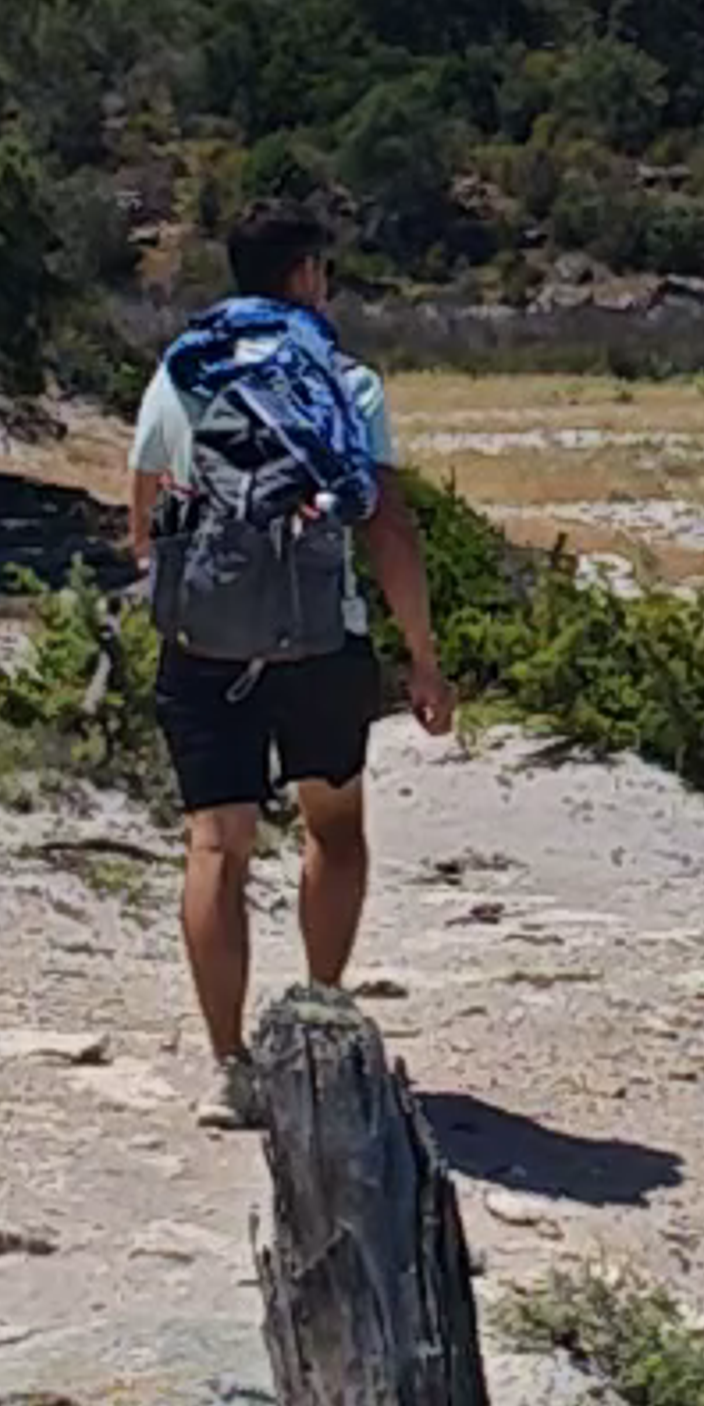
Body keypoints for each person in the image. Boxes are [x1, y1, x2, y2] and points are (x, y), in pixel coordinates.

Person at [128, 201, 452, 1119]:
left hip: (202, 644)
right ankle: (320, 1016)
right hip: (319, 642)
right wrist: (421, 658)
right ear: (307, 274)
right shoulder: (345, 381)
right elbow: (387, 525)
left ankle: (229, 1066)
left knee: (214, 846)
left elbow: (142, 521)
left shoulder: (182, 373)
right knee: (333, 827)